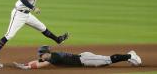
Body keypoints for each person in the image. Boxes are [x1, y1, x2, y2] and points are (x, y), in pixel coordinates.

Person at [13, 45, 142, 69]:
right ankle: (129, 55)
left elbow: (41, 64)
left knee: (108, 60)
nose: (40, 55)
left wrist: (29, 68)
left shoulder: (54, 57)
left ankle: (131, 55)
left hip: (85, 60)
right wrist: (25, 64)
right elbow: (38, 61)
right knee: (106, 62)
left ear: (46, 52)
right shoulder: (48, 56)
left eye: (41, 53)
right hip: (84, 58)